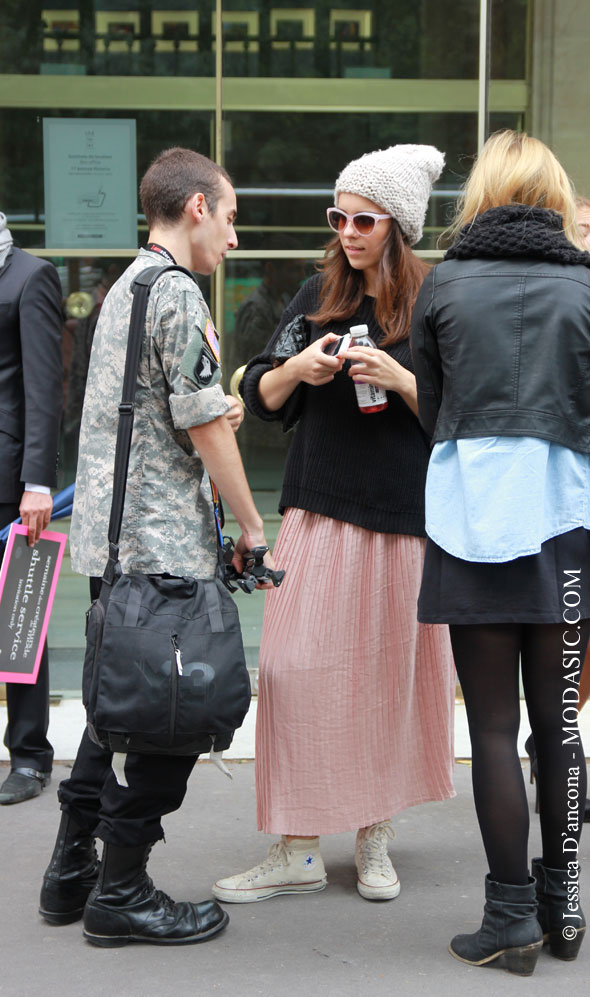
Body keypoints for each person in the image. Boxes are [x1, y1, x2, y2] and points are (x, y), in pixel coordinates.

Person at [38, 147, 275, 947]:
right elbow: (203, 423)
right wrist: (250, 524)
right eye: (233, 217)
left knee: (115, 711)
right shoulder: (176, 293)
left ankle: (73, 868)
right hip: (163, 547)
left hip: (115, 541)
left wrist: (209, 416)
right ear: (198, 207)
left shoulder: (124, 287)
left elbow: (159, 407)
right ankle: (124, 890)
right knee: (171, 720)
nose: (235, 240)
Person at [212, 144, 456, 905]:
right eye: (338, 216)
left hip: (400, 520)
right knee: (292, 672)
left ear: (398, 226)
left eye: (364, 218)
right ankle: (296, 846)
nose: (347, 231)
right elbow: (256, 387)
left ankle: (374, 833)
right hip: (316, 510)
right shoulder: (317, 294)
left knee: (385, 679)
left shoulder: (433, 305)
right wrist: (298, 370)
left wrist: (402, 379)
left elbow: (462, 418)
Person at [410, 130, 589, 975]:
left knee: (490, 727)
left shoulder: (443, 284)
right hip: (567, 525)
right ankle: (567, 907)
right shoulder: (588, 286)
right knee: (560, 723)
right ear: (555, 195)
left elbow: (430, 409)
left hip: (473, 521)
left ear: (481, 191)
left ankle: (509, 916)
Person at [0, 213, 63, 806]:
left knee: (20, 622)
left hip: (10, 479)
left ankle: (29, 755)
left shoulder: (29, 276)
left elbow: (45, 387)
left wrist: (38, 482)